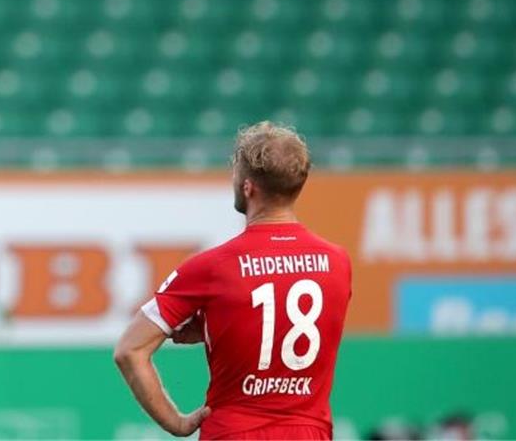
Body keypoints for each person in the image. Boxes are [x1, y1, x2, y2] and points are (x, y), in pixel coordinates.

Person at [114, 122, 352, 440]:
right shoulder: (337, 262)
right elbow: (285, 315)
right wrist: (220, 326)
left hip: (234, 432)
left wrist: (177, 423)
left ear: (248, 187)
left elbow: (130, 350)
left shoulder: (213, 267)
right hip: (309, 432)